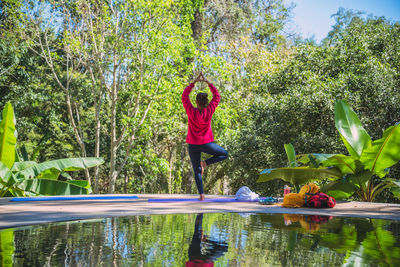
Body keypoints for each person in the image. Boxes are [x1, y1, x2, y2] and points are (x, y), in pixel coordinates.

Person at [182, 72, 228, 201]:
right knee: (224, 154)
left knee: (196, 170)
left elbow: (184, 96)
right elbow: (217, 96)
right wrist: (208, 83)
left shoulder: (191, 111)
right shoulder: (210, 110)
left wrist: (193, 83)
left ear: (196, 101)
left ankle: (201, 195)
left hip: (193, 144)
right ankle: (206, 163)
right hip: (206, 143)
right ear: (207, 102)